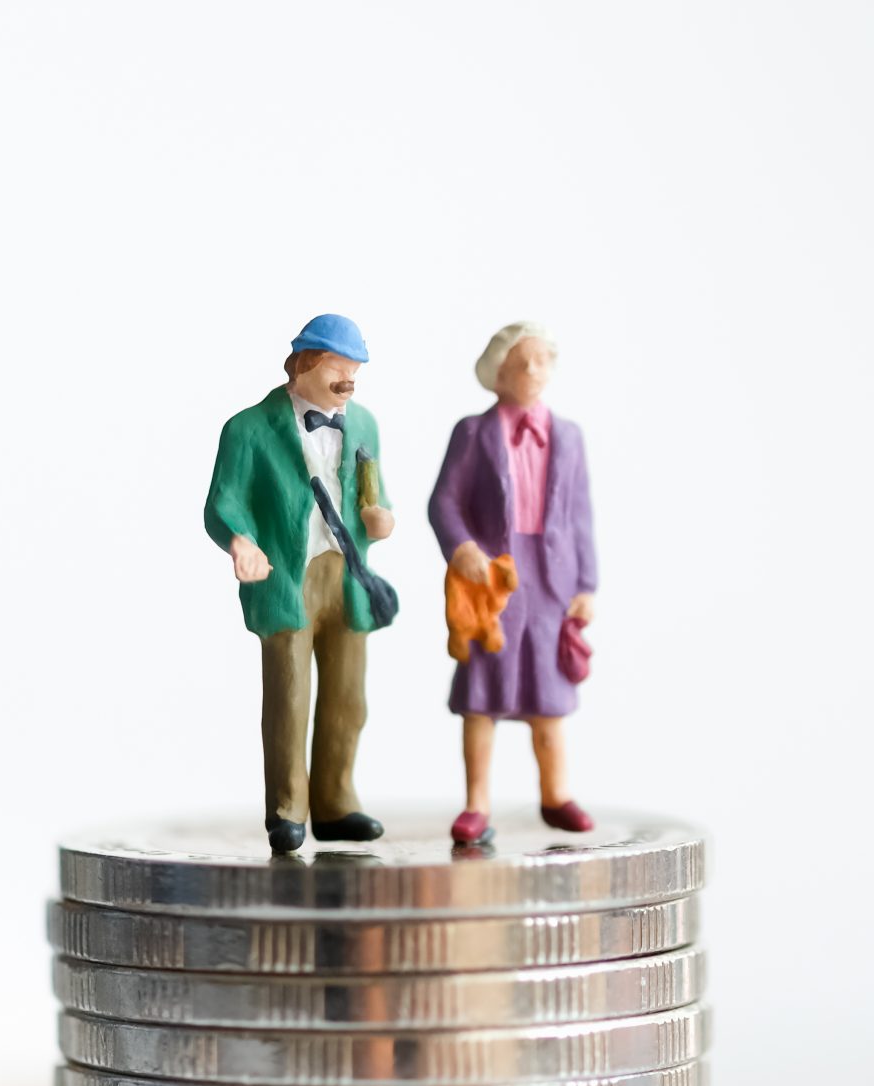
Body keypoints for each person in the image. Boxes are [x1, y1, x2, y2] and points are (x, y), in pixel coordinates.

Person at [201, 314, 396, 853]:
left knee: (349, 697)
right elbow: (224, 502)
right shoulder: (248, 429)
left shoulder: (365, 425)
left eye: (354, 370)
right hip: (288, 576)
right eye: (338, 368)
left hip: (348, 577)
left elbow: (375, 499)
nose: (348, 381)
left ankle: (336, 802)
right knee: (289, 695)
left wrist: (381, 519)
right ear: (305, 365)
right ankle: (287, 809)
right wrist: (240, 541)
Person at [427, 322, 599, 847]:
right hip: (493, 580)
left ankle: (556, 794)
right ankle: (477, 801)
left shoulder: (568, 435)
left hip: (551, 577)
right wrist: (463, 549)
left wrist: (587, 582)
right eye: (520, 363)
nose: (532, 372)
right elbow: (443, 502)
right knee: (483, 694)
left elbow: (580, 515)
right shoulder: (473, 433)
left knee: (549, 696)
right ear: (496, 372)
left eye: (540, 361)